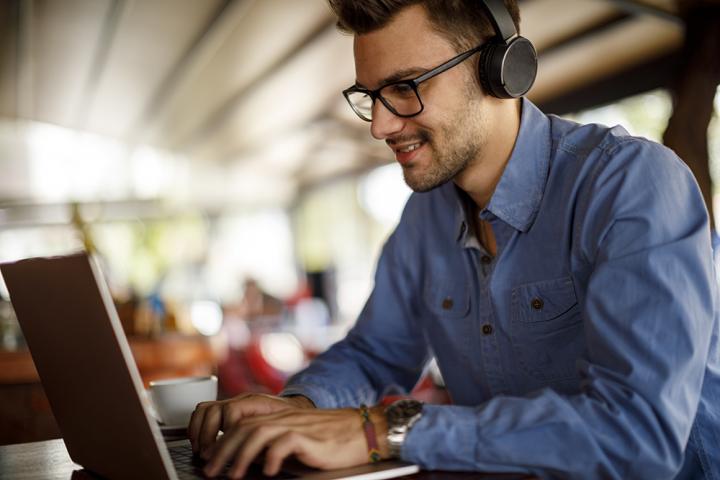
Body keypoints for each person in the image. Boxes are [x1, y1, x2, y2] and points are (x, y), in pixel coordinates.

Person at [188, 1, 720, 478]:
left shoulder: (631, 184)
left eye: (405, 87)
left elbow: (637, 435)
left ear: (501, 71)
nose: (379, 125)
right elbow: (376, 353)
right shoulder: (425, 216)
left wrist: (385, 429)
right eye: (370, 95)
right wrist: (301, 409)